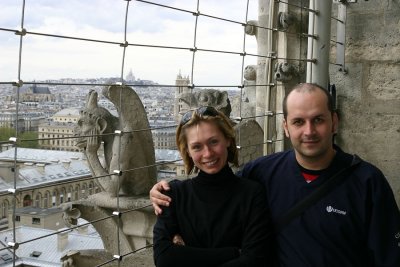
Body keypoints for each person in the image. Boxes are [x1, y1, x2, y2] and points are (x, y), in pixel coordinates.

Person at [151, 83, 400, 267]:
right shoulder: (261, 173)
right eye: (299, 122)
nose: (309, 131)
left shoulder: (367, 182)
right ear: (286, 127)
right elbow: (218, 187)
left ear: (334, 122)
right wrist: (161, 192)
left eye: (319, 120)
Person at [152, 106, 275, 267]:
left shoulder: (252, 193)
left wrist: (187, 255)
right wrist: (234, 253)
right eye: (197, 147)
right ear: (187, 151)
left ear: (228, 140)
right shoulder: (172, 193)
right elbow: (164, 258)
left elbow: (255, 260)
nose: (208, 153)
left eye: (213, 142)